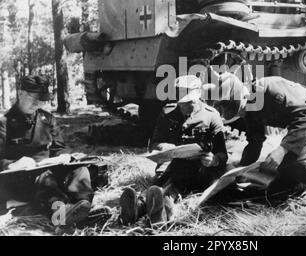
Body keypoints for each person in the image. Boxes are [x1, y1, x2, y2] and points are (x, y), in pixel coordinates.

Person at [207, 72, 306, 205]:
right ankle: (301, 185)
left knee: (296, 163)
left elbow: (305, 117)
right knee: (282, 181)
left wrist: (282, 149)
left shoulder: (267, 91)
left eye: (233, 107)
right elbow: (255, 141)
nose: (239, 114)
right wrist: (239, 168)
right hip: (303, 122)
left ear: (241, 95)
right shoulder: (250, 106)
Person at [119, 75, 228, 225]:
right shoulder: (168, 112)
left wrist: (214, 160)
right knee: (164, 177)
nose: (184, 106)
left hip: (199, 171)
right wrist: (163, 147)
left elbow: (223, 154)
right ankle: (143, 209)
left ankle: (151, 206)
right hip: (171, 165)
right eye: (181, 102)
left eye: (189, 102)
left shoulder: (211, 116)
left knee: (176, 178)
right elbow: (155, 143)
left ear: (198, 97)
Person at [0, 75, 97, 226]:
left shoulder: (47, 119)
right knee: (45, 178)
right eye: (33, 97)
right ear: (20, 93)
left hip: (48, 167)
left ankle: (83, 207)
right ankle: (60, 216)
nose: (37, 103)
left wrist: (62, 157)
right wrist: (11, 164)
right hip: (21, 177)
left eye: (41, 98)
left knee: (80, 169)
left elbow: (58, 148)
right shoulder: (4, 123)